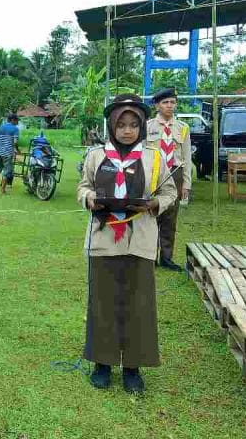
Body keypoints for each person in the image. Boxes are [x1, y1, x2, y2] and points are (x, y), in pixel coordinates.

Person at [77, 93, 177, 394]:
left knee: (139, 305)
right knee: (102, 303)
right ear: (111, 125)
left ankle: (133, 368)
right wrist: (90, 198)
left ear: (142, 126)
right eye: (121, 124)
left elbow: (170, 192)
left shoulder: (154, 156)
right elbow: (83, 187)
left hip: (140, 241)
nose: (127, 130)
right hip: (104, 240)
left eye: (134, 124)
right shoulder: (97, 155)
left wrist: (154, 203)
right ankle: (102, 364)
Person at [146, 87, 192, 272]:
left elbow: (187, 157)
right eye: (165, 102)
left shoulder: (183, 128)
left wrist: (186, 183)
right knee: (150, 215)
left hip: (175, 173)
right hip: (153, 173)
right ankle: (149, 256)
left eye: (173, 102)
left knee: (170, 219)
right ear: (157, 105)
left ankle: (166, 257)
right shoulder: (147, 126)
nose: (170, 106)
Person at [0, 113, 21, 193]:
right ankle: (3, 190)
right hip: (8, 153)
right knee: (7, 172)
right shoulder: (15, 129)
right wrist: (18, 151)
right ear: (12, 120)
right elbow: (15, 142)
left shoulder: (0, 127)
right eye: (17, 120)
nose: (17, 122)